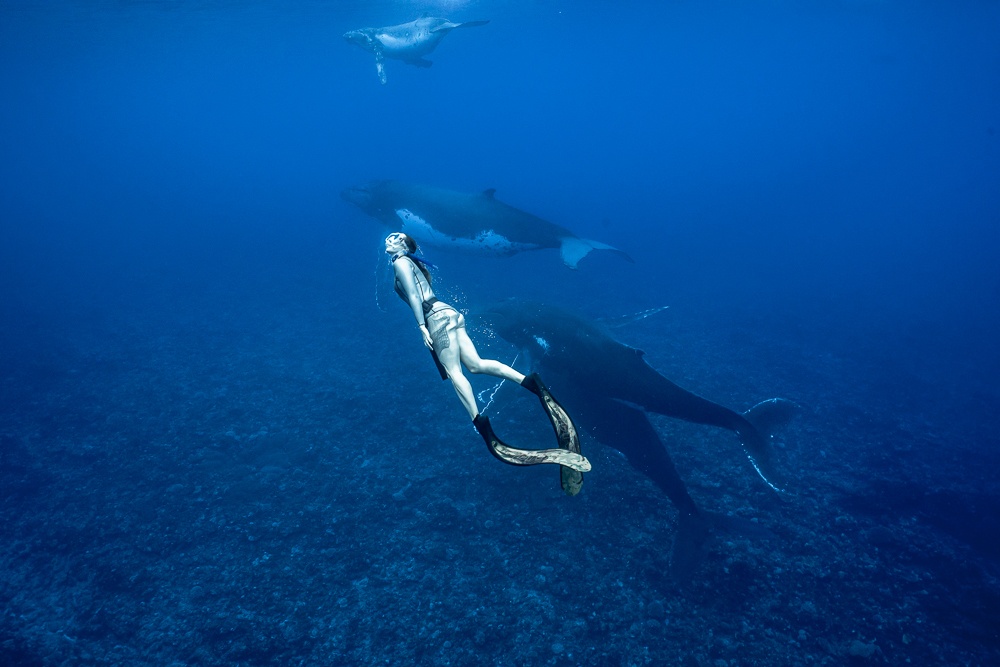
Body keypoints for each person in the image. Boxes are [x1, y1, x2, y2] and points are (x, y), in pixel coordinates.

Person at [384, 232, 591, 479]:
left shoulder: (401, 262)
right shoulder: (411, 262)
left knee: (454, 373)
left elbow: (416, 296)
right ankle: (531, 383)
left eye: (396, 236)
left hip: (435, 319)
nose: (389, 237)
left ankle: (482, 426)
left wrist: (421, 327)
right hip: (450, 313)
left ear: (404, 245)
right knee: (476, 365)